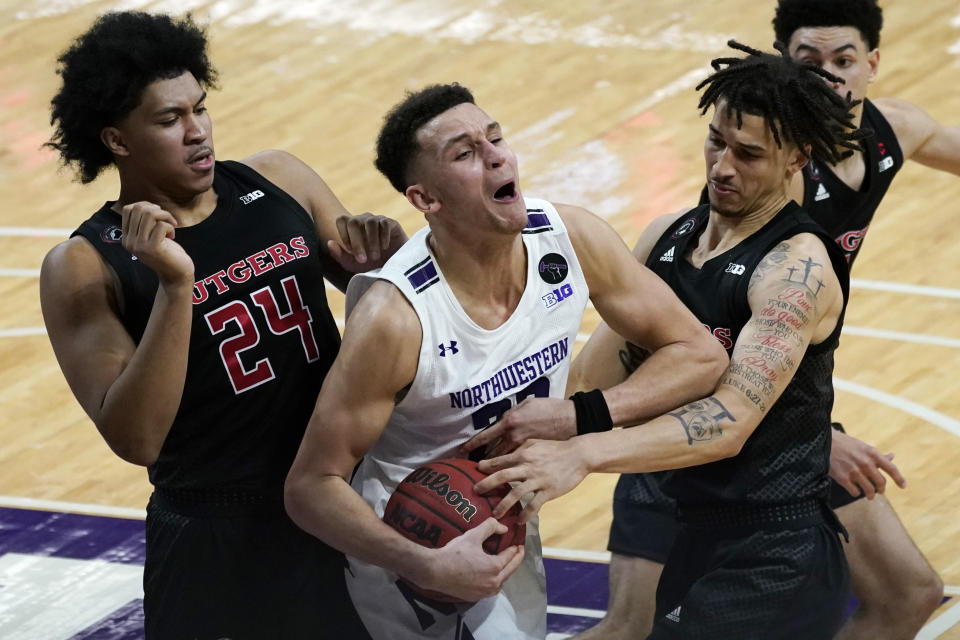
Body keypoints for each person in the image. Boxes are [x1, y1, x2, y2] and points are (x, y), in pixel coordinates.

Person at [283, 82, 728, 639]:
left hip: (505, 512)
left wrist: (579, 417)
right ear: (425, 200)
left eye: (494, 138)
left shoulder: (570, 240)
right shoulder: (395, 319)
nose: (496, 155)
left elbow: (699, 354)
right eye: (465, 153)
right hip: (411, 537)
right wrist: (424, 563)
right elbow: (310, 486)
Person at [571, 2, 955, 637]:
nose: (829, 78)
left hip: (768, 411)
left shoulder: (894, 132)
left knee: (910, 593)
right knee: (630, 629)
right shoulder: (764, 181)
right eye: (810, 63)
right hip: (703, 420)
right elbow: (691, 347)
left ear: (872, 63)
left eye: (844, 60)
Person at [473, 41, 863, 639]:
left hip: (774, 548)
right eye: (716, 142)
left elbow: (731, 421)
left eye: (749, 154)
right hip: (692, 522)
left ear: (796, 158)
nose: (722, 167)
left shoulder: (795, 270)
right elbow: (590, 382)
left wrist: (582, 453)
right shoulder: (668, 237)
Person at [39, 11, 406, 639]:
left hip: (337, 496)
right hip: (216, 533)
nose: (198, 133)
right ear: (118, 140)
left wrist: (389, 270)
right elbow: (136, 439)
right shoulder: (83, 264)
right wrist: (176, 286)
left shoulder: (281, 179)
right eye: (169, 119)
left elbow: (396, 316)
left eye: (199, 109)